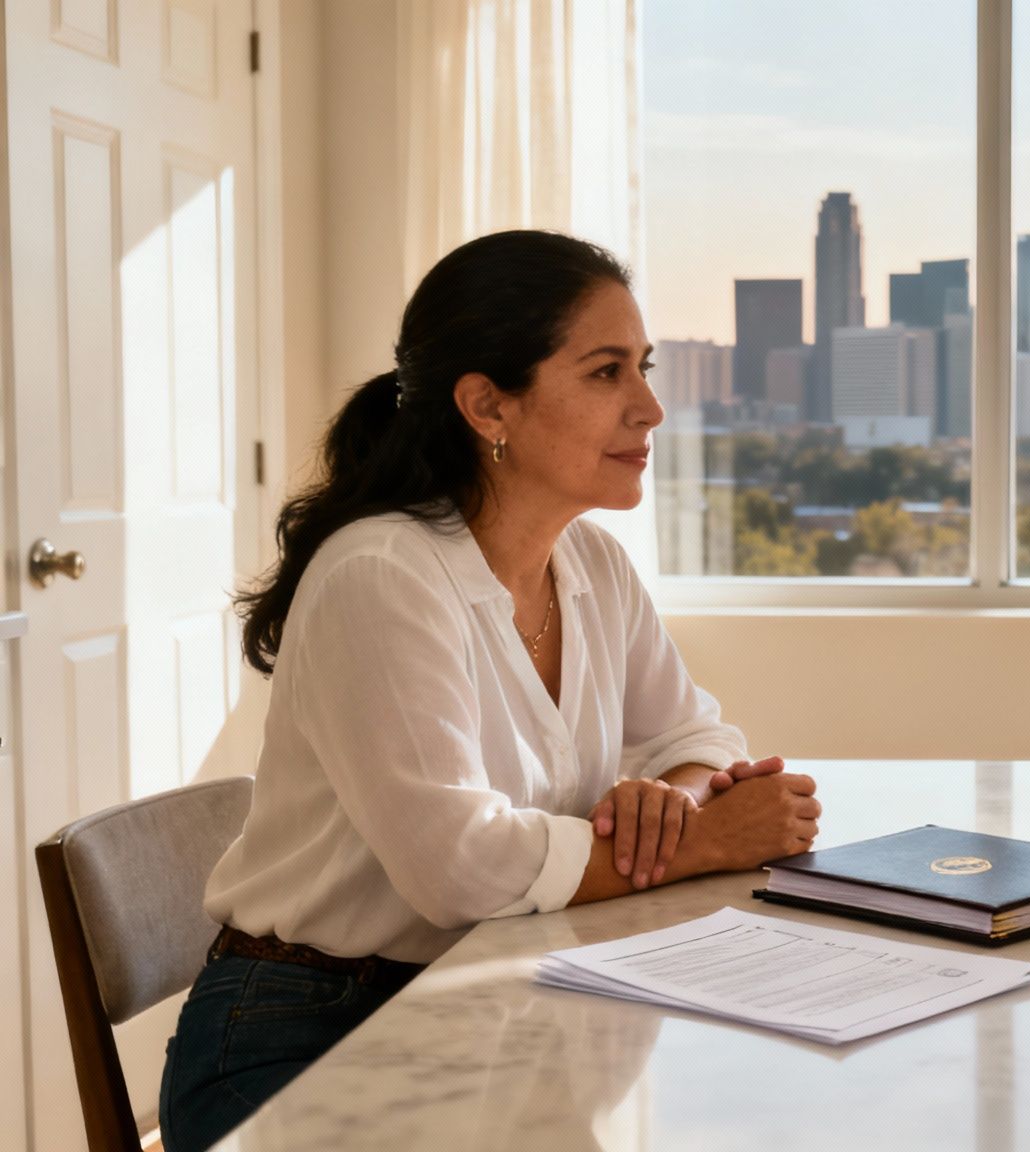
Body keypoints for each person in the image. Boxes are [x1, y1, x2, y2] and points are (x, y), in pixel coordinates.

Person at [160, 230, 821, 1150]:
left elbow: (694, 738)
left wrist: (669, 809)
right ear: (487, 405)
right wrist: (700, 843)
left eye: (645, 367)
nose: (652, 408)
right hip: (306, 1033)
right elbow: (457, 868)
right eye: (605, 373)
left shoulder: (591, 562)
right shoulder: (382, 574)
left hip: (493, 998)